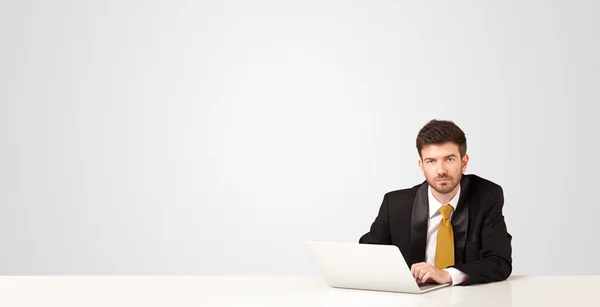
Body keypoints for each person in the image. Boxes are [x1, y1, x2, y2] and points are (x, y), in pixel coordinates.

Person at [359, 119, 512, 286]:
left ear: (464, 162)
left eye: (449, 159)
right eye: (431, 161)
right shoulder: (395, 205)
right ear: (421, 166)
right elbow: (368, 255)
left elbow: (499, 262)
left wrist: (447, 275)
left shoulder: (486, 196)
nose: (441, 171)